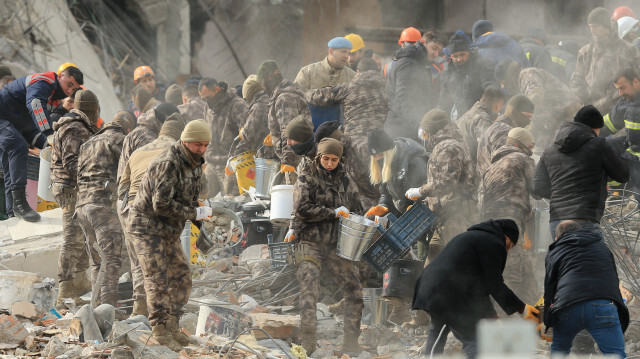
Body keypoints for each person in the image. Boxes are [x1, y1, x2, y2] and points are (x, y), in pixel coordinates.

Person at [128, 120, 211, 350]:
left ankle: (173, 325)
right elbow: (161, 205)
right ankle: (161, 330)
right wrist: (195, 212)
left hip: (167, 230)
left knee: (182, 276)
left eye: (205, 145)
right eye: (197, 145)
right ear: (185, 141)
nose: (202, 149)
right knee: (158, 278)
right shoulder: (169, 163)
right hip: (146, 228)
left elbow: (188, 198)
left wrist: (201, 218)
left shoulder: (194, 163)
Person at [412, 218, 540, 359]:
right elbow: (495, 284)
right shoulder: (494, 243)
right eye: (510, 246)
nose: (507, 251)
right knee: (471, 337)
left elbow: (481, 287)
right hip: (445, 292)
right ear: (506, 236)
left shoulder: (473, 237)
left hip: (436, 287)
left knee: (439, 329)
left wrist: (492, 316)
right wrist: (522, 308)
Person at [290, 137, 364, 355]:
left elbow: (357, 208)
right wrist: (333, 213)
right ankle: (309, 342)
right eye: (326, 158)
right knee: (309, 289)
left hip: (335, 244)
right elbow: (302, 208)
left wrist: (364, 218)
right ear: (318, 157)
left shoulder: (346, 181)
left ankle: (351, 343)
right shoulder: (306, 177)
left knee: (355, 290)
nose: (329, 163)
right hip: (309, 241)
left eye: (334, 159)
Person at [118, 114, 186, 317]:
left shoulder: (138, 151)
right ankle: (162, 314)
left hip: (129, 210)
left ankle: (139, 310)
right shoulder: (178, 150)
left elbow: (122, 187)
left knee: (138, 262)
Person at [0, 66, 83, 221]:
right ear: (60, 76)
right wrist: (49, 135)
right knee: (18, 146)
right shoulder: (44, 82)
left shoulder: (52, 94)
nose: (70, 90)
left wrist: (50, 144)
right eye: (69, 84)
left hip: (13, 120)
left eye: (74, 88)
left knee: (10, 162)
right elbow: (35, 105)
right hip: (4, 117)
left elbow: (31, 129)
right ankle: (19, 204)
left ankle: (13, 212)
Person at [532, 105, 630, 235]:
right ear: (596, 128)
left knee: (563, 255)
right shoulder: (598, 145)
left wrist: (561, 195)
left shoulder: (550, 150)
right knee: (592, 255)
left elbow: (536, 186)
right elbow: (623, 175)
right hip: (584, 219)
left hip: (557, 222)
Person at [75, 111, 136, 306]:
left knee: (97, 262)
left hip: (82, 206)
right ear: (128, 127)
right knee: (111, 260)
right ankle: (108, 309)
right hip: (103, 206)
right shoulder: (121, 140)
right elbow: (130, 173)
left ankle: (96, 307)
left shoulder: (88, 143)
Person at [544, 220, 629, 358]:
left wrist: (548, 320)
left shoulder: (556, 250)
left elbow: (549, 287)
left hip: (567, 306)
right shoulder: (602, 247)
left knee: (559, 350)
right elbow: (613, 278)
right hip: (602, 305)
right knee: (616, 354)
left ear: (557, 237)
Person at [406, 109, 478, 262]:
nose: (423, 138)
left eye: (424, 133)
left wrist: (420, 191)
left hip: (457, 219)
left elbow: (446, 183)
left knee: (458, 269)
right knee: (432, 275)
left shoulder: (448, 148)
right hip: (445, 218)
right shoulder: (447, 145)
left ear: (431, 131)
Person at [51, 90, 100, 306]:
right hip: (71, 189)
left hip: (75, 188)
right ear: (93, 109)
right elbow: (73, 164)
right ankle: (65, 288)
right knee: (72, 238)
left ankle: (79, 283)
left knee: (82, 235)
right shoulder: (75, 128)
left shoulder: (79, 125)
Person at [480, 127, 538, 305]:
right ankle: (500, 322)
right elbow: (538, 190)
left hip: (488, 224)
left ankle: (536, 318)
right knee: (510, 275)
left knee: (527, 274)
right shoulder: (522, 159)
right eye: (529, 148)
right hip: (510, 223)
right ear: (521, 146)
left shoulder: (491, 167)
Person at [495, 59, 581, 152]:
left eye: (502, 82)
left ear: (508, 75)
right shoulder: (520, 84)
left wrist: (530, 127)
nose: (502, 86)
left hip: (568, 117)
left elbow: (536, 95)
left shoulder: (526, 74)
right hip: (555, 122)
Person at [570, 7, 637, 115]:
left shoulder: (626, 50)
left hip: (617, 112)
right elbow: (576, 80)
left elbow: (630, 84)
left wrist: (600, 105)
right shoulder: (586, 52)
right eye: (590, 27)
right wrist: (586, 101)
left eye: (595, 26)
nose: (592, 30)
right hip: (589, 110)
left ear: (606, 26)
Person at [306, 58, 388, 138]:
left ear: (358, 72)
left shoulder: (347, 88)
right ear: (377, 71)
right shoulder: (388, 89)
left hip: (354, 139)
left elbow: (318, 96)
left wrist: (306, 92)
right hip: (380, 141)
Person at [258, 60, 311, 184]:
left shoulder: (285, 98)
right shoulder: (284, 95)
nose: (263, 87)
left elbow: (290, 132)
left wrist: (288, 161)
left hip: (296, 160)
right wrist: (274, 135)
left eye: (262, 82)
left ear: (268, 78)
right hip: (296, 156)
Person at [198, 77, 248, 196]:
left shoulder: (237, 105)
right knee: (202, 199)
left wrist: (236, 160)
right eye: (203, 99)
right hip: (211, 163)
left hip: (229, 165)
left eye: (208, 97)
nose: (207, 102)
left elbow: (247, 134)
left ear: (217, 89)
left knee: (231, 203)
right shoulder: (208, 107)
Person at [295, 37, 356, 128]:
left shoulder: (353, 77)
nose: (347, 56)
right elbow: (295, 100)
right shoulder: (308, 72)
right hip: (310, 130)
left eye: (349, 53)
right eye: (343, 51)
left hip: (341, 132)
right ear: (331, 51)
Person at [438, 31, 497, 121]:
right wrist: (437, 118)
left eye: (462, 54)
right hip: (461, 119)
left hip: (483, 118)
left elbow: (491, 88)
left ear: (469, 53)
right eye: (455, 56)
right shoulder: (448, 73)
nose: (459, 59)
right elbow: (444, 101)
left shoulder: (481, 65)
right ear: (450, 57)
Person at [385, 37, 435, 139]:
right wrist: (420, 125)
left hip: (405, 129)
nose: (436, 54)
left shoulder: (415, 63)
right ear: (424, 43)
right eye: (434, 48)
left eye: (439, 50)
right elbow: (404, 101)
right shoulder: (408, 65)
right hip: (402, 131)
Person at [117, 102, 180, 183]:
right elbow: (148, 173)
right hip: (135, 190)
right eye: (173, 121)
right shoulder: (147, 137)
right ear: (165, 117)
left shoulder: (141, 130)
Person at [476, 95, 534, 177]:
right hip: (497, 184)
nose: (528, 122)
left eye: (531, 118)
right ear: (514, 111)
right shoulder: (504, 131)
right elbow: (505, 166)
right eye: (527, 116)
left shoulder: (498, 126)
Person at [456, 86, 505, 166]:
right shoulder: (482, 120)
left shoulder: (467, 115)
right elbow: (487, 148)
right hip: (474, 170)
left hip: (462, 165)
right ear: (499, 104)